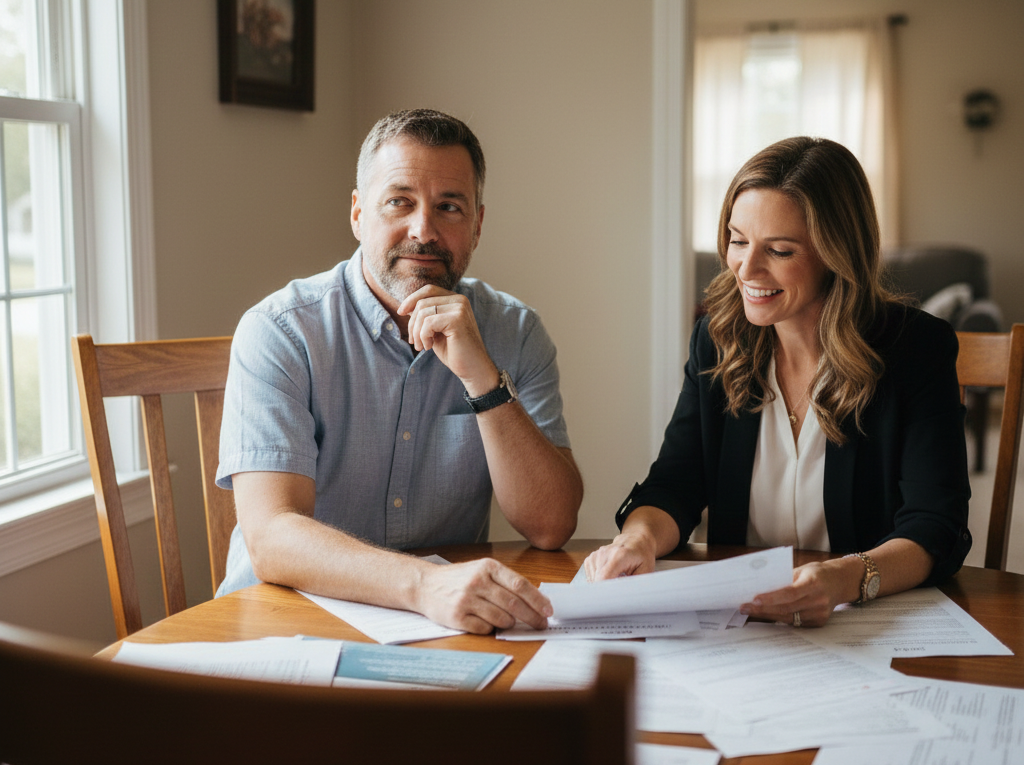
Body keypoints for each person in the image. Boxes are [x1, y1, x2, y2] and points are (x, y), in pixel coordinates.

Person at [216, 109, 583, 634]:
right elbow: (273, 535)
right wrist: (424, 585)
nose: (423, 230)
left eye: (449, 207)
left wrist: (482, 379)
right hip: (286, 628)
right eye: (399, 202)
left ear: (477, 225)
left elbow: (551, 526)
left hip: (442, 631)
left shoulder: (516, 334)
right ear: (358, 214)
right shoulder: (280, 331)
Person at [584, 136, 971, 626]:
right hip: (741, 627)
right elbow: (676, 484)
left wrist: (844, 578)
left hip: (864, 621)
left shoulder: (915, 348)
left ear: (837, 253)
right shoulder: (717, 337)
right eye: (738, 240)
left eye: (780, 250)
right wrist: (636, 540)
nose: (746, 268)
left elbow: (935, 525)